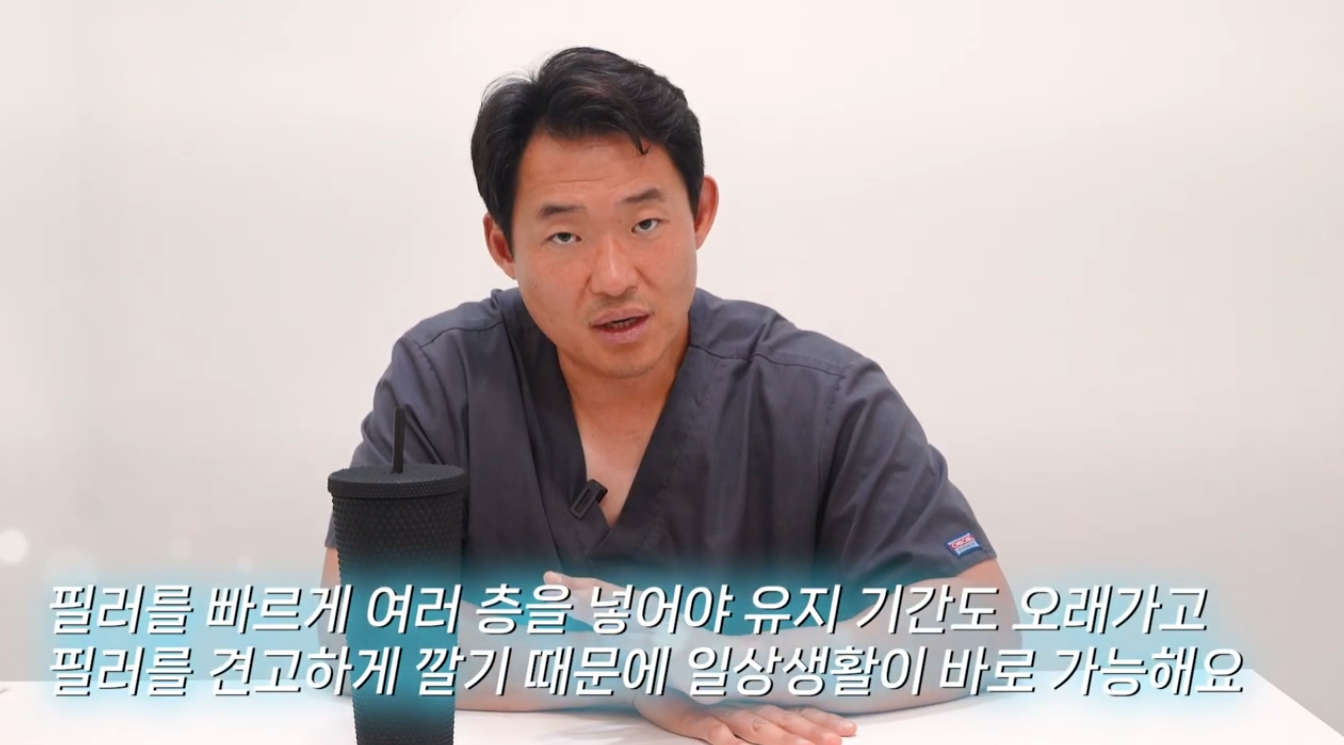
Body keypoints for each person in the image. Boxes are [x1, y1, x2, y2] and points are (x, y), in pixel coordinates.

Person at [321, 46, 1019, 745]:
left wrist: (713, 661)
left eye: (645, 224)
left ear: (701, 212)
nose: (614, 276)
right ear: (504, 246)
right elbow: (354, 630)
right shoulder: (443, 379)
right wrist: (632, 672)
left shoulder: (822, 398)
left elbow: (981, 622)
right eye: (564, 235)